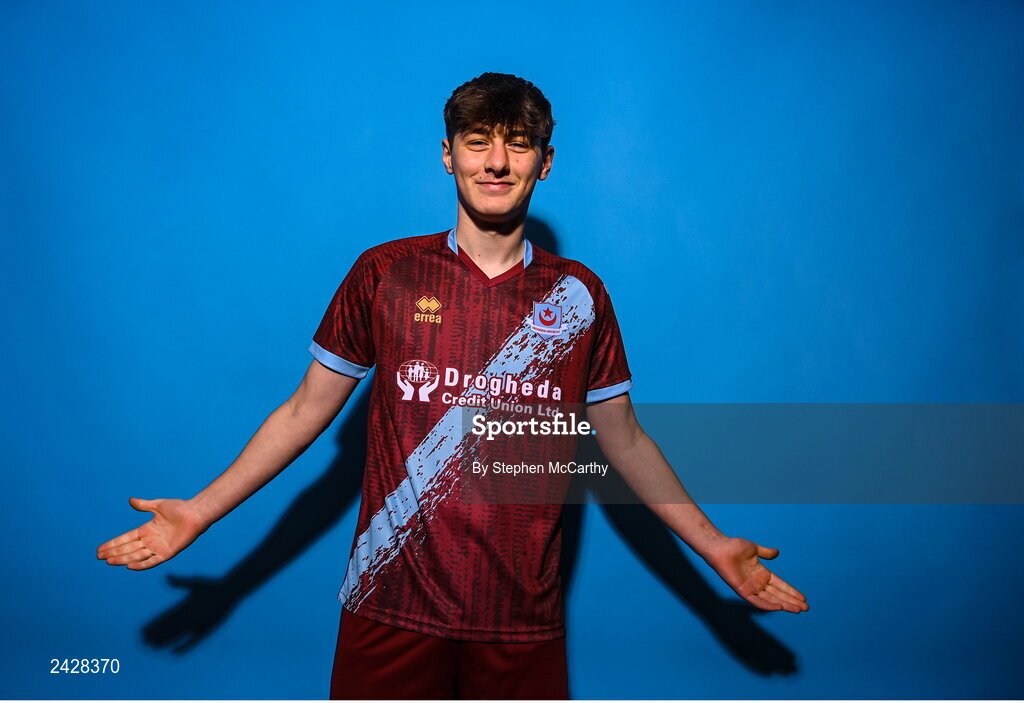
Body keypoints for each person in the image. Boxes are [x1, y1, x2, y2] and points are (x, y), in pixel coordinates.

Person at [96, 72, 809, 699]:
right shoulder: (384, 273)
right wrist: (199, 512)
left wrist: (714, 545)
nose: (497, 162)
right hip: (388, 601)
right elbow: (304, 411)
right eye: (478, 142)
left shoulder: (579, 295)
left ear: (545, 162)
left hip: (520, 617)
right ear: (448, 154)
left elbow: (623, 441)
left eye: (518, 145)